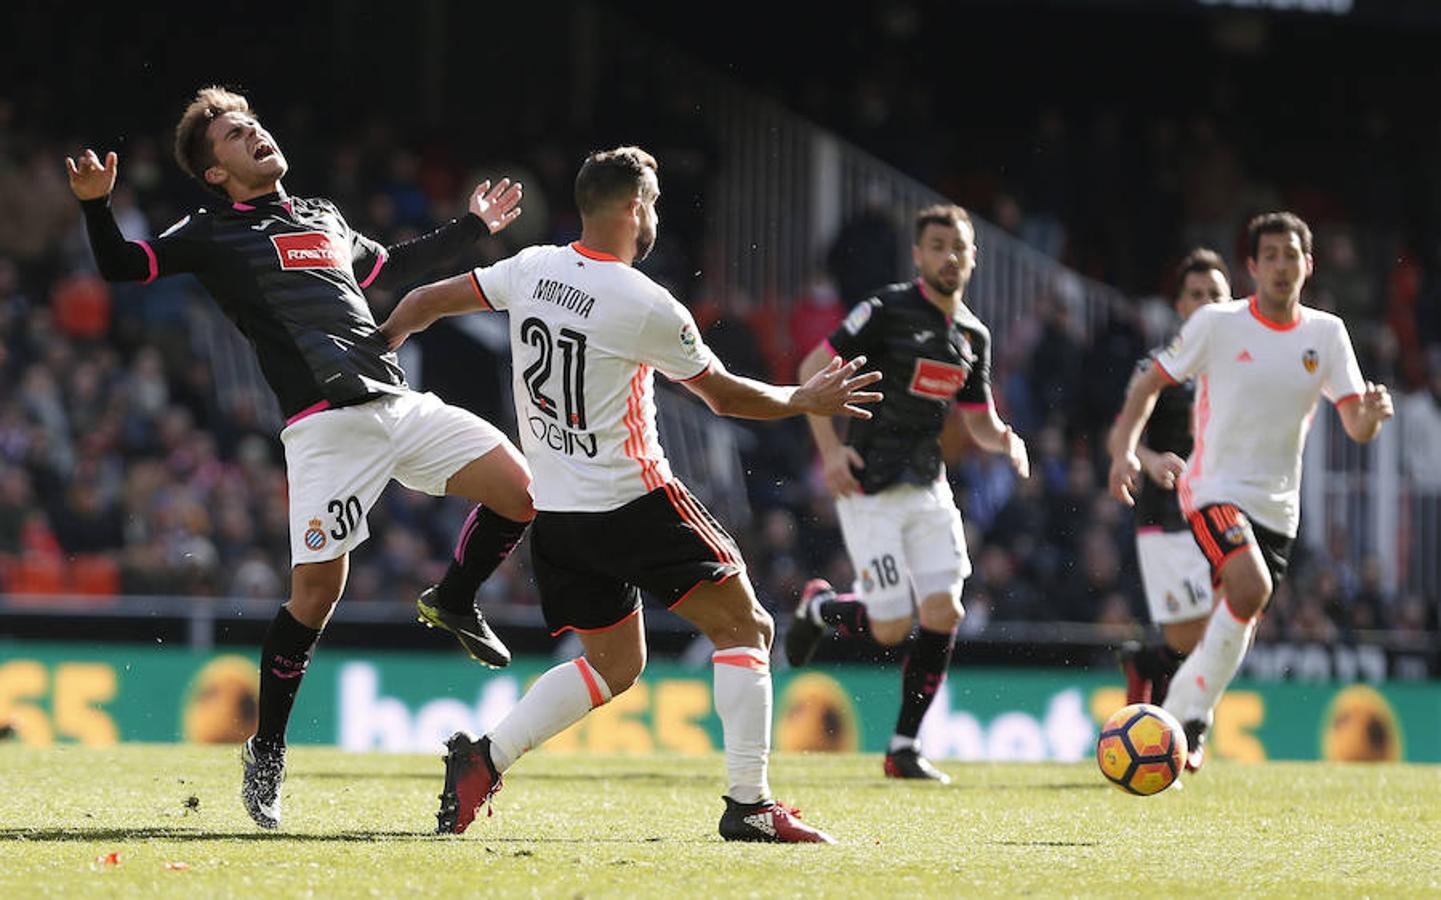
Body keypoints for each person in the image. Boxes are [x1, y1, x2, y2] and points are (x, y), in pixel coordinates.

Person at [68, 86, 536, 829]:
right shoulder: (212, 230)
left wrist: (472, 227)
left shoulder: (321, 215)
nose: (252, 131)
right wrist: (96, 204)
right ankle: (269, 750)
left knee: (522, 491)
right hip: (324, 429)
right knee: (316, 596)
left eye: (250, 121)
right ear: (215, 172)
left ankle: (453, 598)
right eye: (231, 133)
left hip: (396, 401)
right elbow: (126, 266)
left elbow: (395, 265)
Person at [382, 146, 880, 843]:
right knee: (747, 629)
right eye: (649, 203)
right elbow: (724, 397)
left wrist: (381, 344)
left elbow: (422, 301)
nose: (652, 216)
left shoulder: (533, 268)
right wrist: (803, 397)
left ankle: (484, 758)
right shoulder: (645, 302)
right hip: (633, 502)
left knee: (616, 665)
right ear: (631, 207)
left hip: (557, 518)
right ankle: (749, 803)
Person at [1109, 212, 1394, 770]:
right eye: (1271, 257)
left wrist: (1374, 417)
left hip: (1279, 509)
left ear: (1308, 265)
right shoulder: (1218, 323)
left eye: (1292, 256)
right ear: (1252, 266)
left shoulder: (1326, 334)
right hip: (1211, 489)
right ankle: (1175, 716)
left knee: (1238, 612)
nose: (1281, 267)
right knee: (1249, 586)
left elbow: (1356, 424)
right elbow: (1150, 381)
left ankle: (1191, 719)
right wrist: (1124, 450)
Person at [783, 204, 1030, 783]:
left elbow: (978, 420)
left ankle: (904, 747)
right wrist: (830, 449)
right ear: (918, 255)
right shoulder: (887, 309)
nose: (949, 256)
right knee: (892, 625)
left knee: (946, 608)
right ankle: (820, 608)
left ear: (973, 257)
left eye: (959, 247)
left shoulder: (972, 335)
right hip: (868, 484)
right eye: (937, 245)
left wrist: (1008, 441)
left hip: (928, 487)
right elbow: (813, 365)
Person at [1111, 249, 1231, 705]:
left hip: (1224, 511)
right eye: (1195, 295)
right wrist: (1149, 457)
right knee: (1189, 638)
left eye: (1215, 295)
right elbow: (1119, 435)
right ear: (1180, 306)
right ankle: (1165, 731)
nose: (1205, 302)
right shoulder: (1157, 367)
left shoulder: (1239, 367)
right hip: (1168, 513)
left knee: (1230, 624)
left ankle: (1147, 670)